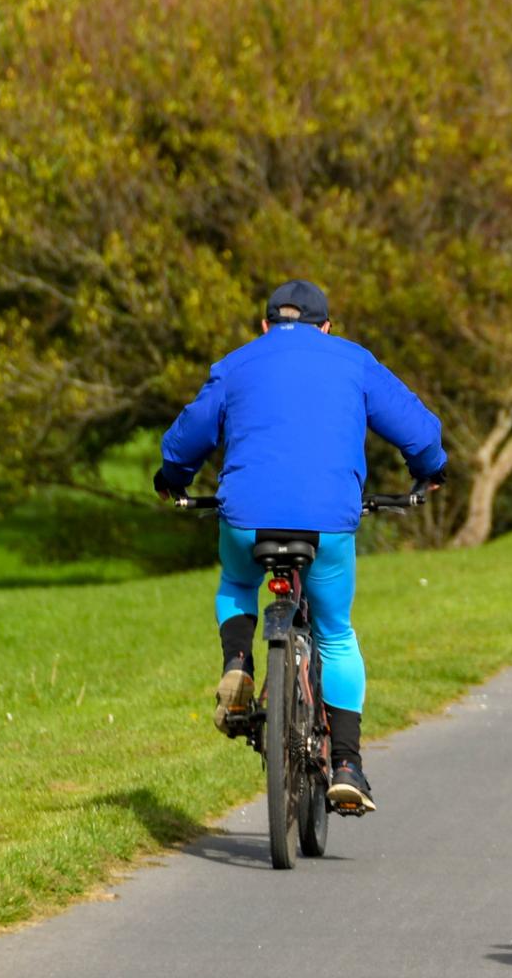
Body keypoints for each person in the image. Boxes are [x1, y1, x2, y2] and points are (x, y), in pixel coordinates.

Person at [153, 280, 447, 814]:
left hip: (247, 519)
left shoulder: (238, 363)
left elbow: (186, 436)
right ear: (327, 327)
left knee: (238, 582)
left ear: (265, 325)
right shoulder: (354, 362)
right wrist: (429, 473)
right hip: (327, 525)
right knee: (335, 633)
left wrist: (174, 477)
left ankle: (239, 663)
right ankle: (348, 765)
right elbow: (419, 432)